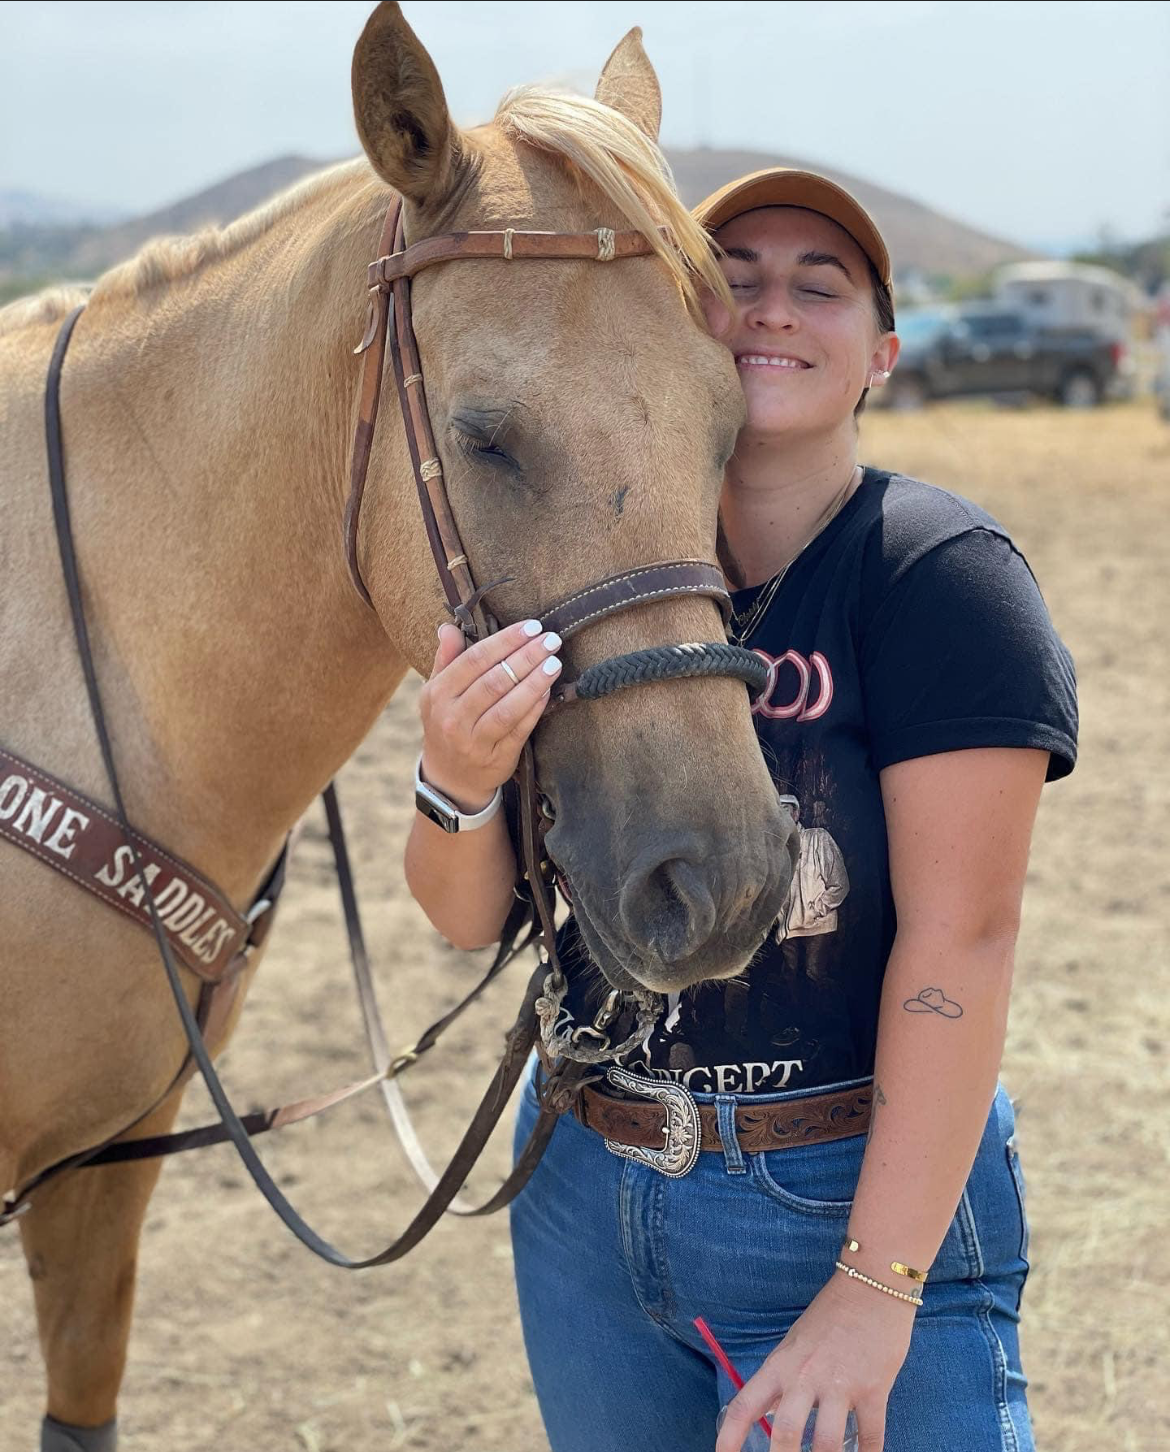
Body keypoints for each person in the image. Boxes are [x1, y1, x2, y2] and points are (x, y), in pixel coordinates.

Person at [403, 167, 1077, 1452]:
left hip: (845, 1193)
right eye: (732, 282)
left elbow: (962, 944)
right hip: (587, 1196)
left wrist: (875, 1296)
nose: (771, 307)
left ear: (881, 352)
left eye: (817, 286)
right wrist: (455, 780)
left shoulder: (939, 579)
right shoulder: (586, 572)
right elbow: (466, 914)